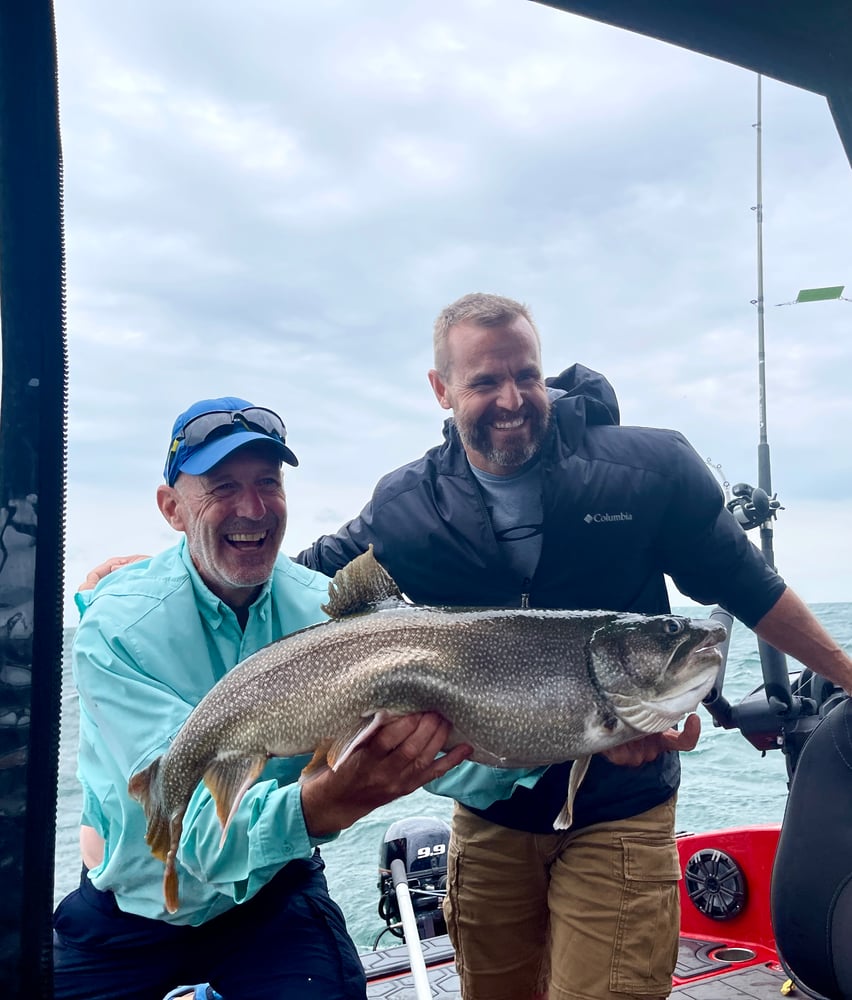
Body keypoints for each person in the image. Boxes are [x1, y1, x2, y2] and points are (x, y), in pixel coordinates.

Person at [295, 292, 852, 1000]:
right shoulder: (409, 506)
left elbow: (750, 587)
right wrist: (156, 576)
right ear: (441, 390)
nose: (511, 399)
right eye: (484, 382)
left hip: (620, 808)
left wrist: (847, 675)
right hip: (489, 816)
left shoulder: (646, 470)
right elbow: (303, 583)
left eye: (525, 375)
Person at [53, 396, 471, 1000]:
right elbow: (192, 833)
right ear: (172, 508)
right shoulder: (118, 628)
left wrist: (578, 739)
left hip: (270, 891)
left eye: (268, 483)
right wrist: (320, 807)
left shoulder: (327, 610)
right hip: (130, 906)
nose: (252, 508)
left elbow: (457, 736)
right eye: (222, 486)